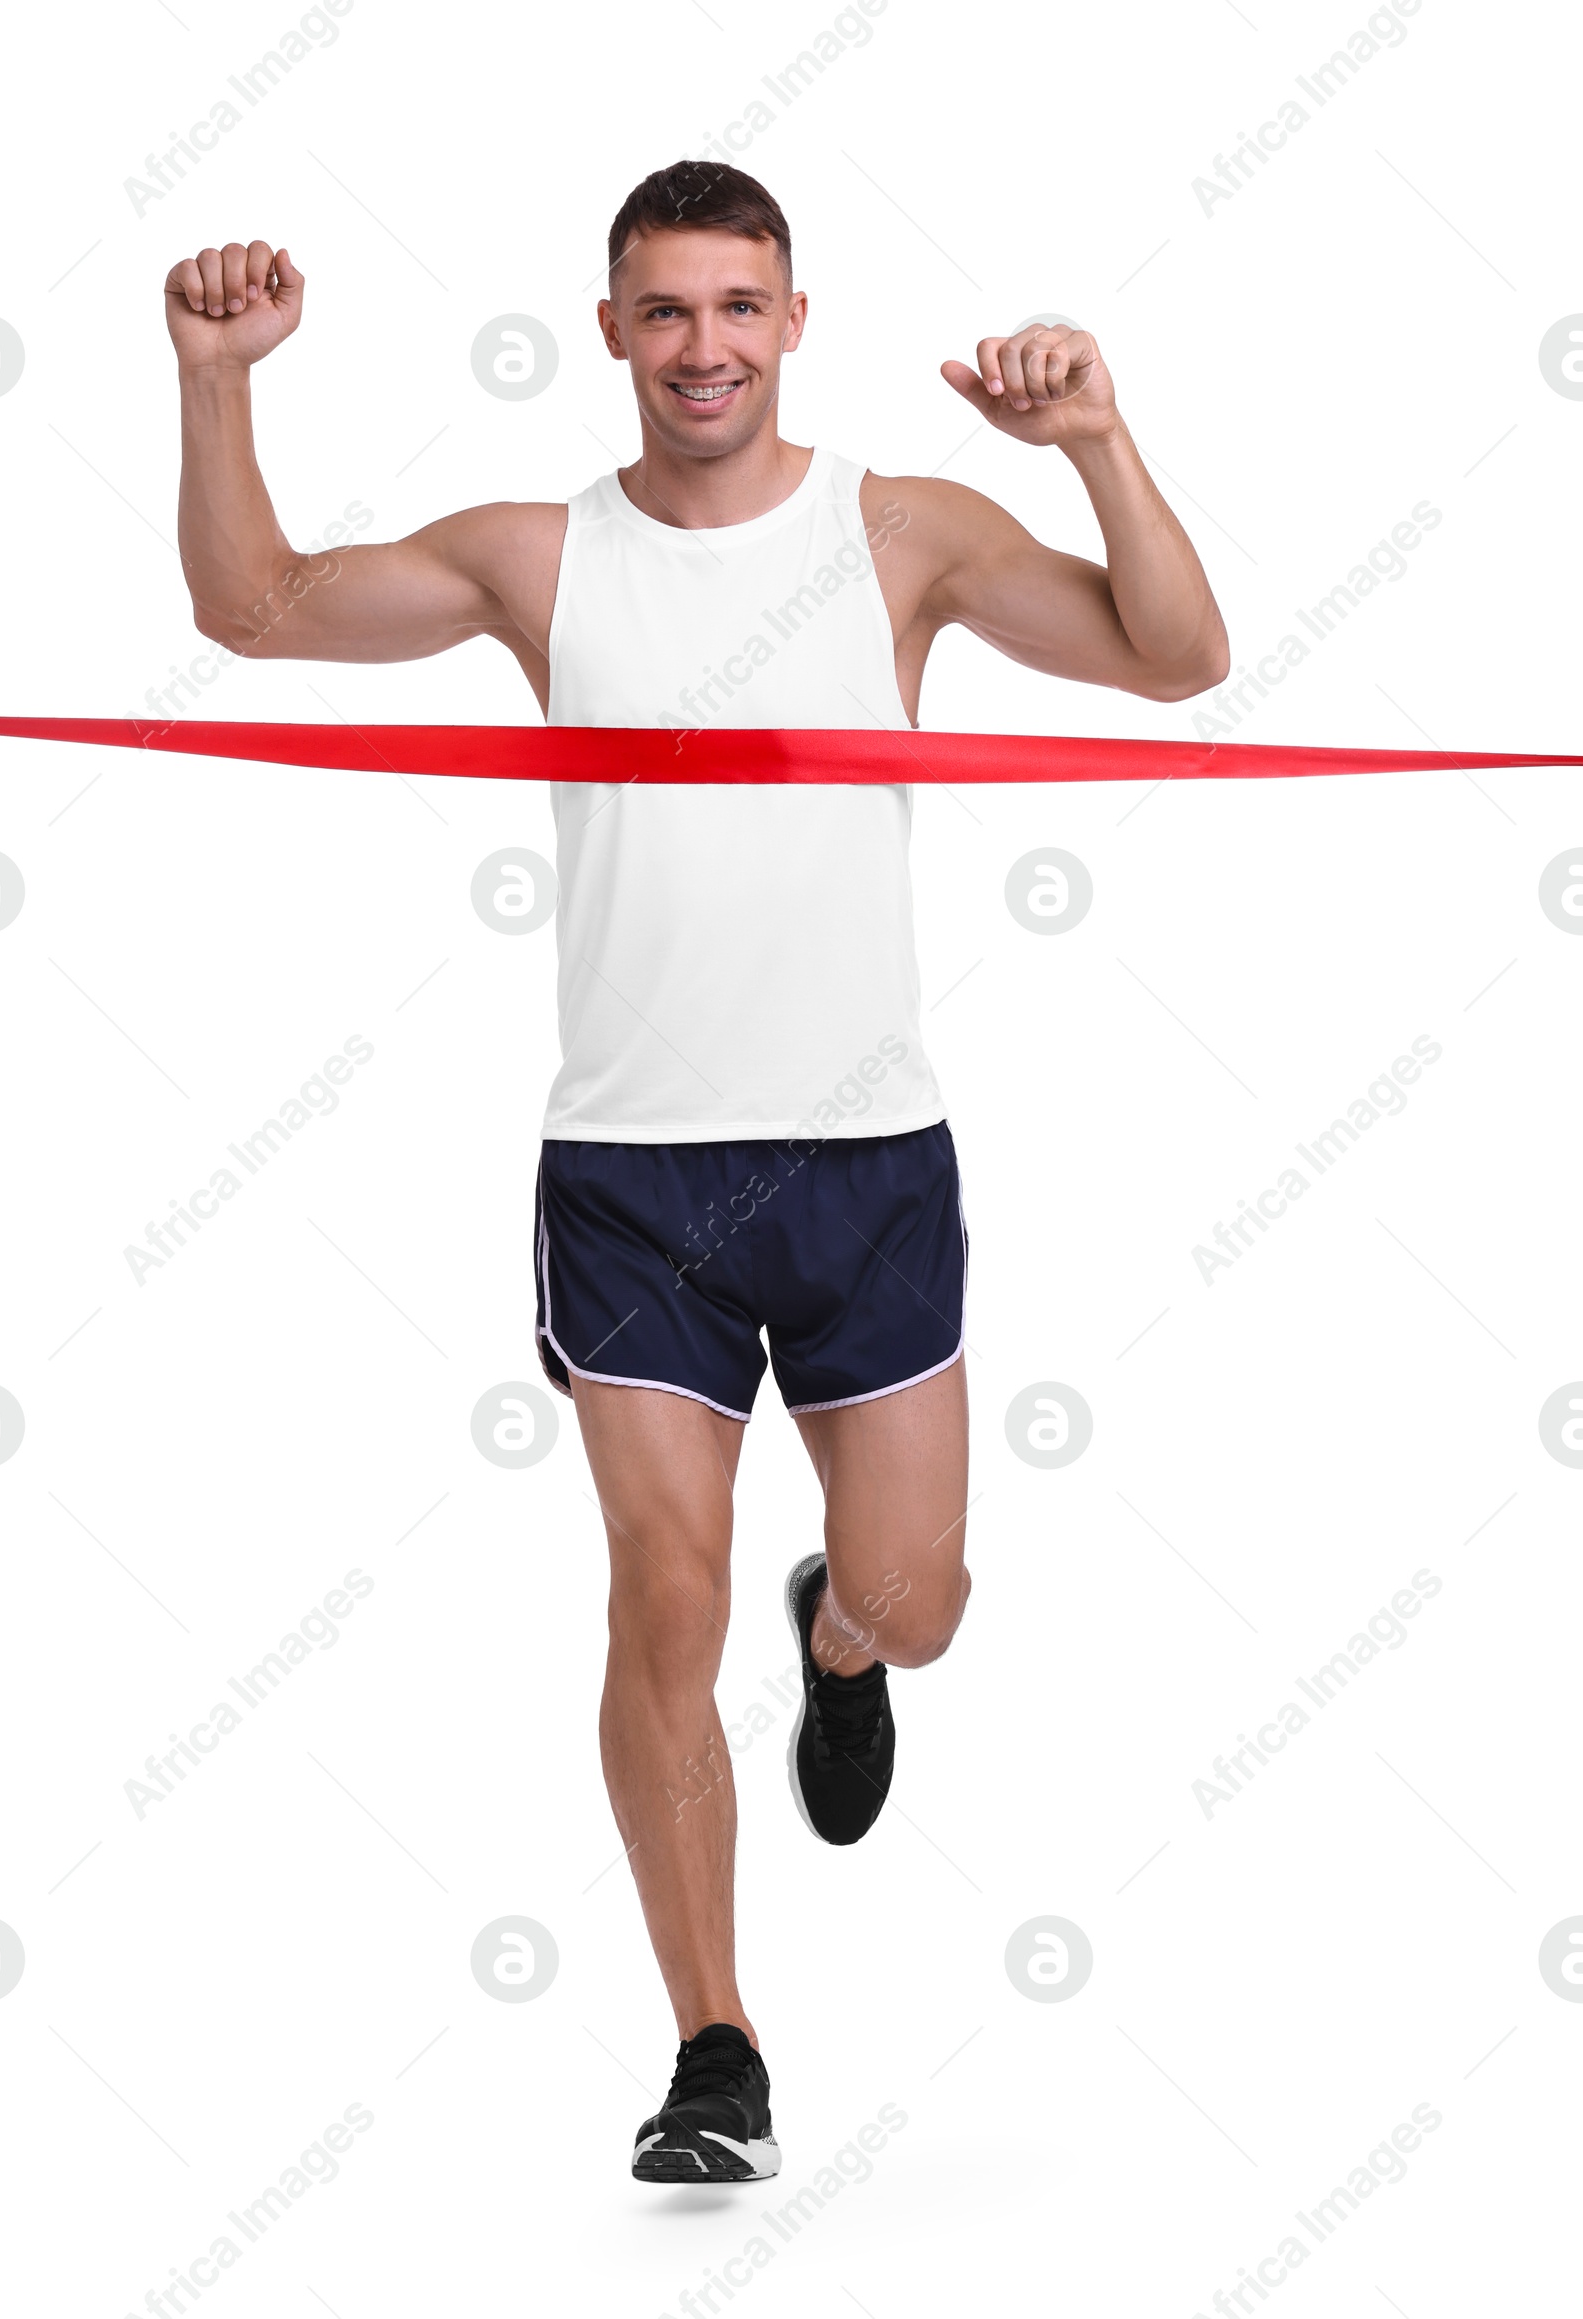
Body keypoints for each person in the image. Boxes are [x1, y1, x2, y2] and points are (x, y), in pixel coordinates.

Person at [165, 158, 1229, 2184]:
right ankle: (712, 2044)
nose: (702, 349)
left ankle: (835, 1636)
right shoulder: (538, 559)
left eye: (736, 308)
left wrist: (1094, 440)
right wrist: (219, 379)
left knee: (919, 1599)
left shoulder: (897, 533)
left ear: (792, 322)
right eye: (663, 312)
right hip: (633, 1171)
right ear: (611, 333)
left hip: (863, 1163)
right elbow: (256, 607)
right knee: (660, 1591)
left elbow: (1171, 660)